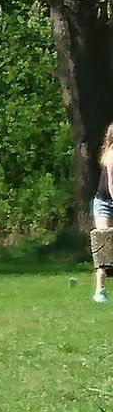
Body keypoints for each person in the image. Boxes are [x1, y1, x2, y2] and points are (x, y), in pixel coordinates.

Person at [92, 123, 113, 303]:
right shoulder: (112, 154)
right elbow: (111, 186)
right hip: (105, 204)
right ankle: (100, 290)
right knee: (104, 244)